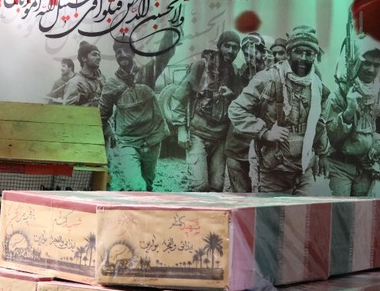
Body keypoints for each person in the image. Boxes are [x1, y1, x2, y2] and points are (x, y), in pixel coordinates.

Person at [228, 25, 329, 195]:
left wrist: (323, 153)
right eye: (298, 52)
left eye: (309, 53)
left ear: (315, 56)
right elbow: (236, 109)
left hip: (304, 169)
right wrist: (264, 132)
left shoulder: (316, 85)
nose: (303, 58)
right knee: (272, 212)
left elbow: (319, 121)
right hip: (273, 170)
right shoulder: (268, 78)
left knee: (304, 211)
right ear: (289, 53)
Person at [324, 37, 380, 197]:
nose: (371, 70)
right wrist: (348, 112)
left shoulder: (379, 92)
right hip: (340, 165)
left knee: (363, 210)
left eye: (376, 65)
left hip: (366, 167)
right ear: (356, 60)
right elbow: (330, 135)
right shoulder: (340, 92)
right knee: (341, 209)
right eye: (366, 63)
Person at [99, 34, 175, 191]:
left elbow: (164, 56)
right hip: (128, 142)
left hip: (152, 139)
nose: (122, 55)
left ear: (133, 53)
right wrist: (107, 136)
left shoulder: (147, 73)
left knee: (147, 183)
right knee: (136, 186)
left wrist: (170, 32)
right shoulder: (111, 84)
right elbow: (102, 115)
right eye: (118, 52)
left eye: (126, 50)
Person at [169, 30, 241, 192]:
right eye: (227, 46)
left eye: (235, 47)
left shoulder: (234, 71)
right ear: (220, 46)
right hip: (198, 134)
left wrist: (232, 95)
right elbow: (179, 97)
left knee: (217, 185)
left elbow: (240, 102)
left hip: (220, 138)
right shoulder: (201, 66)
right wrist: (181, 129)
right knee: (199, 185)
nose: (230, 51)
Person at [224, 32, 268, 192]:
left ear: (263, 53)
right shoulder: (240, 74)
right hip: (236, 145)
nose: (250, 59)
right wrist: (232, 95)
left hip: (260, 144)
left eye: (254, 54)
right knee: (240, 193)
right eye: (247, 55)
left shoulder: (271, 75)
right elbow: (240, 103)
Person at [63, 41, 104, 107]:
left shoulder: (100, 79)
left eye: (99, 55)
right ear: (84, 58)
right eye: (94, 54)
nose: (98, 58)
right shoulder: (75, 83)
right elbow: (68, 111)